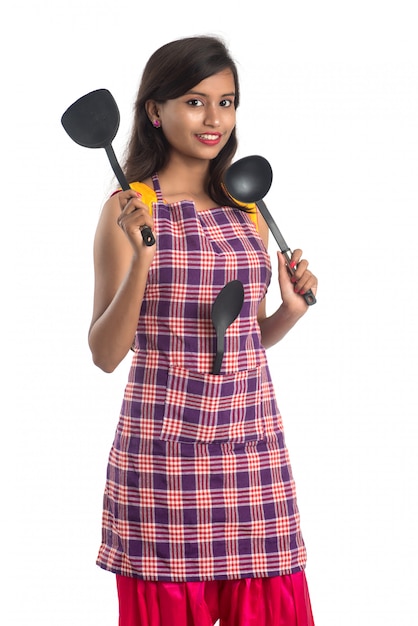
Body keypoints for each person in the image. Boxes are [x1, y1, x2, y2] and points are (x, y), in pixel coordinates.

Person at [89, 35, 318, 626]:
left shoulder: (247, 209)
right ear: (154, 111)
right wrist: (143, 256)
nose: (214, 118)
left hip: (251, 445)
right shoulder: (128, 206)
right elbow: (106, 353)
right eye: (195, 101)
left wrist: (288, 312)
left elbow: (240, 340)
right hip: (163, 456)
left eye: (227, 101)